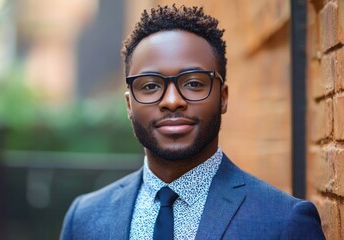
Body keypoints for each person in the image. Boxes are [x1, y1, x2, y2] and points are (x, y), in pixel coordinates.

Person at [60, 5, 325, 240]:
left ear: (223, 97)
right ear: (129, 104)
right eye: (151, 86)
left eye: (194, 83)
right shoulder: (84, 218)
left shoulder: (283, 222)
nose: (172, 101)